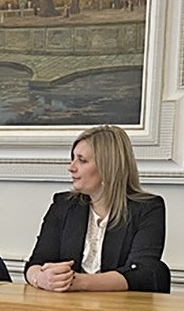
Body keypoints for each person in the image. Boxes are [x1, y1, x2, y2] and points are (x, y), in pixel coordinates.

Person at [24, 125, 165, 292]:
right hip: (66, 309)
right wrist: (40, 278)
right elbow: (36, 262)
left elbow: (142, 273)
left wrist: (77, 282)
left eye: (82, 160)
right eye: (73, 158)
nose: (71, 167)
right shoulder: (63, 205)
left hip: (122, 310)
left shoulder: (148, 208)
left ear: (108, 167)